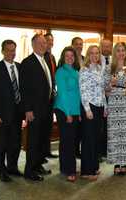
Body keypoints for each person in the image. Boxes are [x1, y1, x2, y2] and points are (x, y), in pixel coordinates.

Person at [0, 40, 23, 182]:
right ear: (2, 51)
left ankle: (12, 168)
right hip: (1, 115)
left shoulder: (20, 67)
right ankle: (1, 171)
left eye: (13, 50)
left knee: (15, 143)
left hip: (17, 114)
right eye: (8, 50)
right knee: (1, 144)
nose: (11, 53)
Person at [20, 34, 53, 181]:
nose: (43, 45)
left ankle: (38, 165)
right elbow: (24, 88)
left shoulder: (45, 59)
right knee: (33, 141)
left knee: (42, 139)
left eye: (44, 43)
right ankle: (29, 171)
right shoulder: (28, 62)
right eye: (40, 43)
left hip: (46, 108)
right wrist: (28, 110)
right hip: (34, 110)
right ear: (33, 45)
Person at [104, 42, 126, 175]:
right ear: (114, 52)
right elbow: (105, 89)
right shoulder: (108, 68)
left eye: (123, 50)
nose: (121, 53)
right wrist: (111, 84)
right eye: (118, 50)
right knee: (115, 134)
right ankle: (117, 163)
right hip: (114, 102)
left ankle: (125, 162)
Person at [79, 45, 107, 181]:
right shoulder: (84, 70)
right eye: (92, 53)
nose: (95, 56)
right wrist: (87, 110)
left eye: (97, 53)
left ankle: (94, 166)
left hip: (100, 106)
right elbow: (83, 91)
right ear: (88, 55)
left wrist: (105, 107)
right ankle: (86, 171)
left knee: (96, 139)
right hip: (89, 107)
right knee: (88, 140)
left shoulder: (99, 69)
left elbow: (102, 90)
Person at [54, 46, 81, 182]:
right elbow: (63, 93)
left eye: (72, 56)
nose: (70, 58)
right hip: (64, 110)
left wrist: (79, 112)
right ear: (63, 58)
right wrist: (68, 113)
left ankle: (65, 167)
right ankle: (70, 170)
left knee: (68, 140)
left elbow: (78, 93)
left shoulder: (76, 71)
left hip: (75, 110)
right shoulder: (60, 71)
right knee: (68, 141)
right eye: (67, 56)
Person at [44, 32, 58, 159]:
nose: (50, 43)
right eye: (47, 41)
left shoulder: (52, 57)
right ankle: (41, 153)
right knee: (42, 127)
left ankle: (47, 151)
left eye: (51, 41)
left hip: (52, 96)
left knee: (48, 124)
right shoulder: (41, 57)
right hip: (42, 99)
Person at [99, 38, 113, 161]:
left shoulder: (115, 61)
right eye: (104, 46)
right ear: (100, 47)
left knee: (111, 124)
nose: (107, 49)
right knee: (101, 125)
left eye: (109, 46)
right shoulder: (97, 60)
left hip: (113, 97)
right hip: (101, 97)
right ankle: (100, 151)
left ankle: (110, 150)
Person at [71, 37, 84, 159]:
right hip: (74, 97)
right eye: (77, 44)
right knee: (74, 126)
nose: (79, 46)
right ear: (72, 45)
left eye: (81, 44)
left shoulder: (85, 59)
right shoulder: (70, 60)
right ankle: (73, 150)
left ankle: (78, 149)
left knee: (81, 126)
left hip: (84, 97)